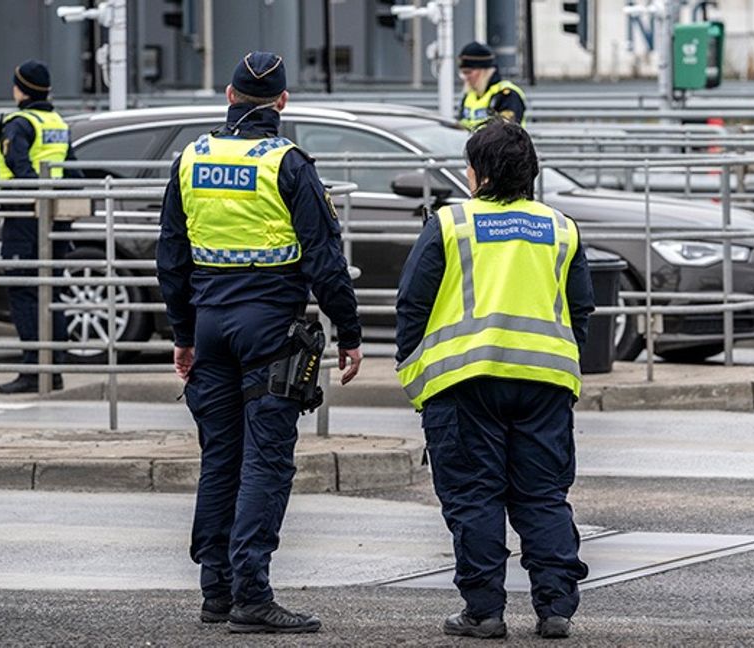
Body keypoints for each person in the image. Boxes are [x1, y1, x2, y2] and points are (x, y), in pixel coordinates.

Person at [156, 51, 363, 635]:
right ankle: (252, 593)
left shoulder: (191, 158)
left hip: (210, 327)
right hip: (270, 330)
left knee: (220, 460)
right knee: (266, 462)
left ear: (229, 95)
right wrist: (349, 332)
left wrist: (182, 335)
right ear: (281, 102)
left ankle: (215, 591)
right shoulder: (288, 164)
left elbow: (170, 257)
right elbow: (325, 260)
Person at [395, 119, 594, 640]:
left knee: (475, 497)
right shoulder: (561, 228)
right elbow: (582, 311)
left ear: (478, 172)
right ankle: (555, 610)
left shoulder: (450, 224)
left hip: (464, 384)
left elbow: (411, 306)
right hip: (545, 383)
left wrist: (418, 381)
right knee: (542, 495)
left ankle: (483, 612)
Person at [0, 60, 79, 394]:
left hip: (25, 215)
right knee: (51, 289)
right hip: (55, 216)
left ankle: (33, 368)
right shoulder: (56, 121)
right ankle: (52, 370)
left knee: (25, 290)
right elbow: (71, 169)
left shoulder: (19, 121)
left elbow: (18, 166)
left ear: (21, 89)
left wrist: (36, 196)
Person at [457, 42, 527, 130]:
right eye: (462, 73)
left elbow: (506, 132)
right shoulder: (469, 95)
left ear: (484, 71)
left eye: (468, 72)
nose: (464, 77)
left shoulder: (506, 95)